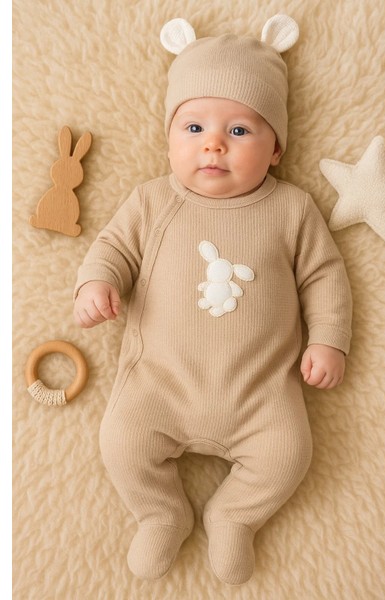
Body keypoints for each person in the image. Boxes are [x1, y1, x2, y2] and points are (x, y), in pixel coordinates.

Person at [73, 15, 352, 585]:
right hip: (160, 386)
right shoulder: (152, 201)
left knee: (288, 455)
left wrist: (329, 340)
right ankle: (161, 512)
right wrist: (97, 284)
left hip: (259, 396)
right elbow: (112, 248)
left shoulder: (292, 209)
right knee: (120, 442)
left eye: (240, 131)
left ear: (276, 149)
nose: (214, 144)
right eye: (194, 127)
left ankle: (235, 515)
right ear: (169, 139)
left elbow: (325, 276)